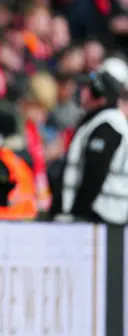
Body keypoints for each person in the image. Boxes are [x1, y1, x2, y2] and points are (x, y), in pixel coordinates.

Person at [54, 58, 128, 225]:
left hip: (101, 216)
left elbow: (94, 175)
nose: (82, 92)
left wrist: (78, 214)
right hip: (104, 216)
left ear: (100, 96)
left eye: (88, 89)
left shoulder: (107, 126)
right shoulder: (102, 121)